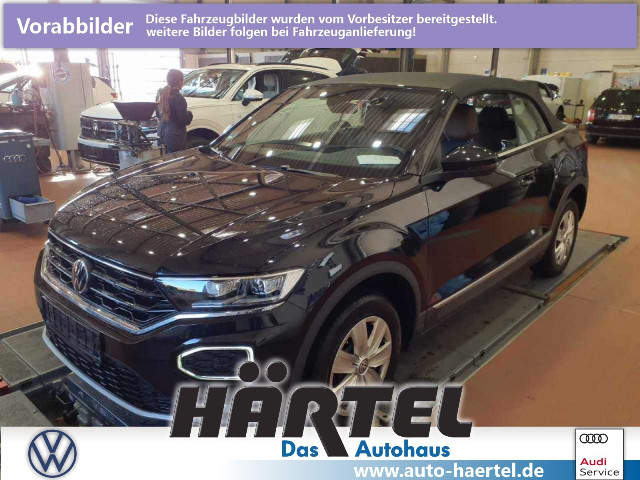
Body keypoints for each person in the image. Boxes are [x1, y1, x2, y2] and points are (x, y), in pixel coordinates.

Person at [156, 69, 193, 153]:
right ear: (180, 82)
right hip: (175, 136)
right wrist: (190, 114)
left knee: (165, 158)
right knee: (178, 159)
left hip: (161, 132)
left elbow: (158, 114)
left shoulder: (161, 94)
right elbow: (184, 120)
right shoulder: (178, 98)